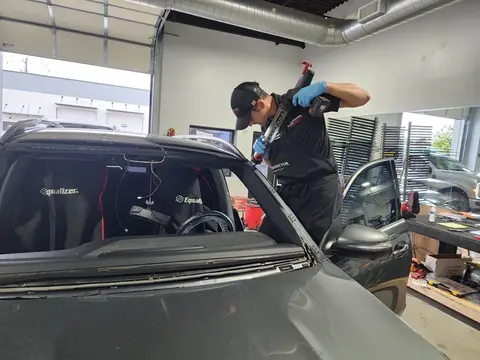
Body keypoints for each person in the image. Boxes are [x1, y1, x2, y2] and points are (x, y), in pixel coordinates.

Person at [230, 80, 370, 245]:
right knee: (265, 243)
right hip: (290, 191)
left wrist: (325, 87)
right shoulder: (267, 125)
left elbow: (363, 97)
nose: (250, 124)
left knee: (308, 251)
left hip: (318, 193)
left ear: (260, 105)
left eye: (249, 118)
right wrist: (266, 155)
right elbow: (278, 164)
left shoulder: (298, 102)